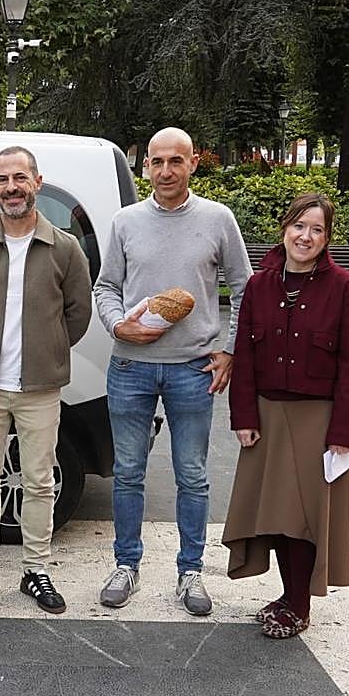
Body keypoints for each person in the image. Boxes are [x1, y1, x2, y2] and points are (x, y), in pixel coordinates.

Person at [92, 127, 252, 616]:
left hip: (192, 370)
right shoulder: (125, 222)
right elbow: (105, 287)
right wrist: (118, 324)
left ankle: (190, 572)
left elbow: (246, 288)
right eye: (156, 162)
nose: (165, 171)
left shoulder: (218, 220)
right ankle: (126, 565)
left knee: (193, 475)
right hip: (131, 368)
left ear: (194, 164)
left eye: (175, 161)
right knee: (127, 474)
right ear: (146, 167)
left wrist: (229, 350)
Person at [0, 146, 93, 614]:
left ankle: (36, 570)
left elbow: (78, 315)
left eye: (20, 178)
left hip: (41, 388)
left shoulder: (64, 248)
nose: (12, 187)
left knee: (39, 481)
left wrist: (45, 351)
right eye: (3, 179)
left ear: (37, 182)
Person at [222, 194, 349, 639]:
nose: (306, 237)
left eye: (317, 229)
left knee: (304, 515)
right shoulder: (258, 286)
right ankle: (290, 595)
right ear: (285, 228)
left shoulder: (346, 289)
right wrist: (243, 416)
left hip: (318, 420)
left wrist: (343, 432)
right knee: (274, 513)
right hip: (266, 414)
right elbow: (244, 355)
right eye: (299, 226)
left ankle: (298, 603)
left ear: (327, 238)